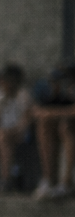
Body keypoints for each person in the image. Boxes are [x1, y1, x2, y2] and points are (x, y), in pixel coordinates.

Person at [0, 64, 35, 193]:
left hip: (21, 134)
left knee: (2, 136)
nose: (2, 83)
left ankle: (6, 179)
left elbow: (25, 123)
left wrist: (10, 131)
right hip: (3, 131)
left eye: (5, 79)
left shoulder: (23, 95)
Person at [33, 65, 75, 199]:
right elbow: (37, 112)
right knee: (44, 126)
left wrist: (51, 113)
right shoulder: (54, 96)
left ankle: (67, 182)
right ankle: (49, 179)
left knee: (66, 127)